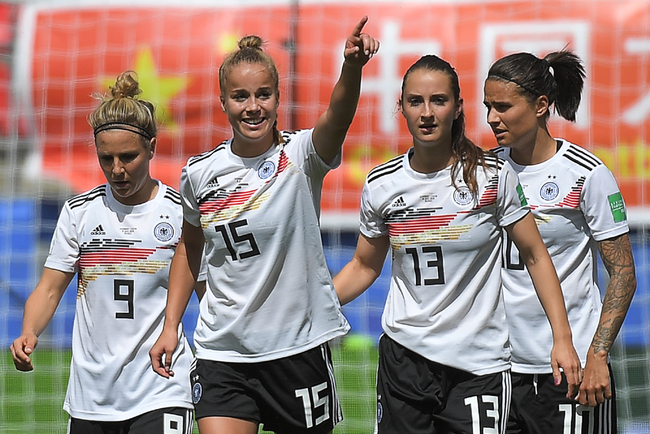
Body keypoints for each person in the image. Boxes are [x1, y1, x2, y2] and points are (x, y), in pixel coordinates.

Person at [148, 17, 379, 434]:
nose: (252, 106)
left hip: (297, 350)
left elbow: (338, 116)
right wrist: (170, 326)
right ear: (222, 102)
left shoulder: (303, 155)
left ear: (277, 98)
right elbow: (189, 247)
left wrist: (352, 68)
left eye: (262, 95)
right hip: (224, 352)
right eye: (240, 96)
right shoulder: (199, 174)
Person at [333, 54, 582, 434]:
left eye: (439, 101)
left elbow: (535, 255)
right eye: (415, 101)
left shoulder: (491, 176)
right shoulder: (381, 184)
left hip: (478, 367)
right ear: (400, 107)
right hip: (405, 360)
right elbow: (364, 266)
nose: (427, 113)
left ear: (458, 107)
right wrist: (311, 306)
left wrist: (562, 340)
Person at [9, 71, 199, 433]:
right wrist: (29, 331)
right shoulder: (80, 213)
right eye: (106, 158)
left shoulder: (180, 214)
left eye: (128, 157)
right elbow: (50, 288)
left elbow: (208, 293)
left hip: (161, 386)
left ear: (152, 148)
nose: (117, 170)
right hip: (91, 397)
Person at [483, 51, 637, 434]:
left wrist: (597, 353)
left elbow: (623, 273)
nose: (491, 119)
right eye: (488, 106)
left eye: (503, 107)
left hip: (570, 369)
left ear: (540, 106)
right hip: (495, 368)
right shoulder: (484, 172)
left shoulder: (586, 174)